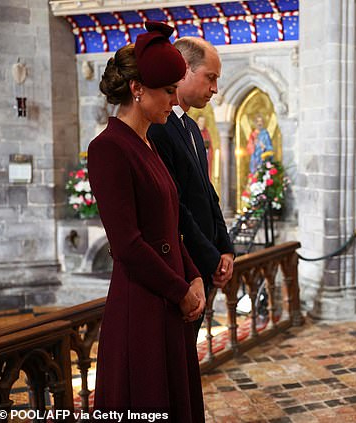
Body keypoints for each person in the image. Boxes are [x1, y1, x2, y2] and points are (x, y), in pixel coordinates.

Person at [87, 22, 205, 421]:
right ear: (137, 90)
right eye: (168, 90)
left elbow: (170, 227)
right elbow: (128, 245)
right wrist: (180, 289)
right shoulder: (108, 148)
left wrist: (194, 276)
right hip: (142, 303)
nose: (174, 101)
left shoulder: (148, 142)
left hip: (168, 298)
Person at [148, 37, 234, 338]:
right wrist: (210, 259)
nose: (214, 89)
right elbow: (177, 205)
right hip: (184, 266)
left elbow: (208, 194)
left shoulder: (193, 129)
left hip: (205, 261)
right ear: (184, 71)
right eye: (210, 78)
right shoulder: (159, 128)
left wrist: (226, 248)